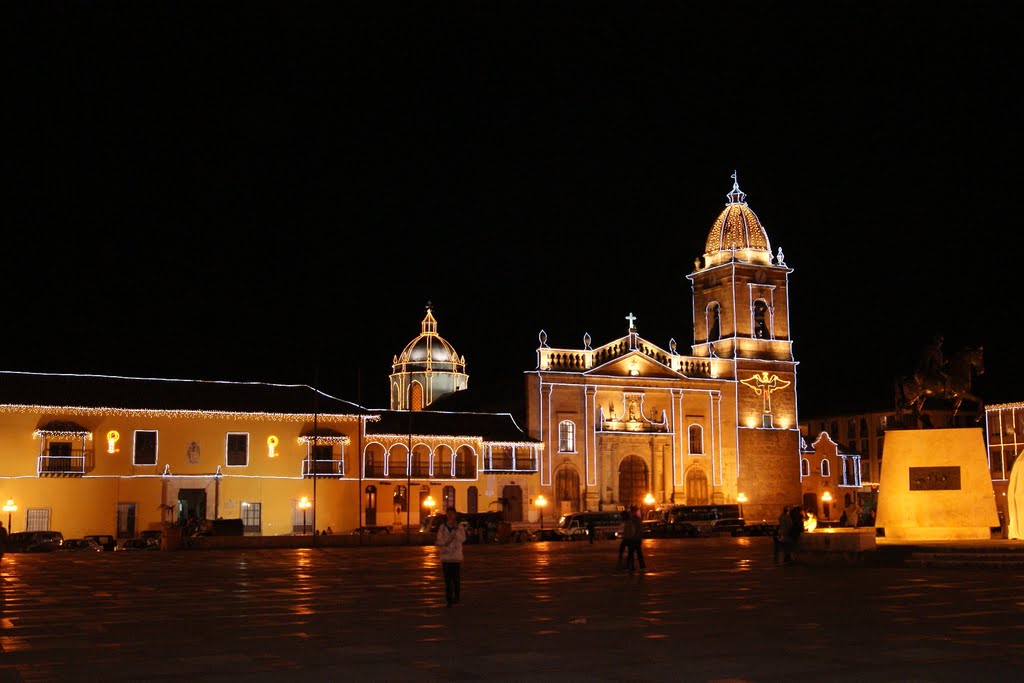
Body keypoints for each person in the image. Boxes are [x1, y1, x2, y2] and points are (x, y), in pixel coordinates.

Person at [436, 506, 466, 607]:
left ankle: (456, 597)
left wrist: (456, 531)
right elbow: (439, 541)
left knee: (456, 579)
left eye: (452, 513)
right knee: (447, 580)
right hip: (446, 558)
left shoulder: (460, 527)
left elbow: (462, 539)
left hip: (456, 558)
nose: (450, 515)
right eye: (448, 514)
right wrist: (446, 542)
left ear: (455, 515)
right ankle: (449, 599)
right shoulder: (442, 527)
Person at [623, 506, 646, 572]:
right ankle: (641, 567)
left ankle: (630, 567)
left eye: (631, 511)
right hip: (637, 539)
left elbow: (631, 529)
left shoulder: (633, 519)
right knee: (637, 553)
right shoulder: (637, 519)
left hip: (633, 539)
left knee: (631, 553)